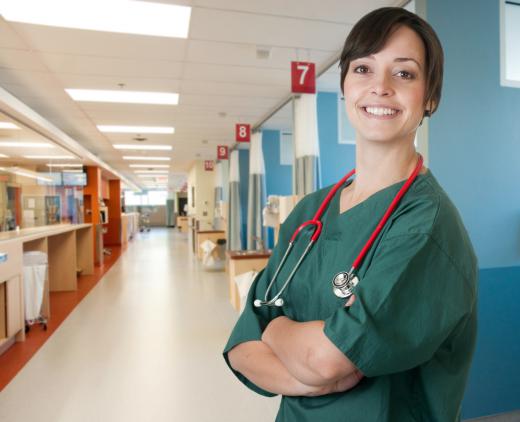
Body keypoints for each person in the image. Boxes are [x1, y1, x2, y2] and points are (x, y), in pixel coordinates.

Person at [223, 7, 478, 422]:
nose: (380, 87)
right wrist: (300, 366)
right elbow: (241, 350)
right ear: (344, 87)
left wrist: (273, 327)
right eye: (363, 68)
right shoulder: (309, 213)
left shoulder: (426, 225)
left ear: (430, 96)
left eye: (405, 73)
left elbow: (328, 361)